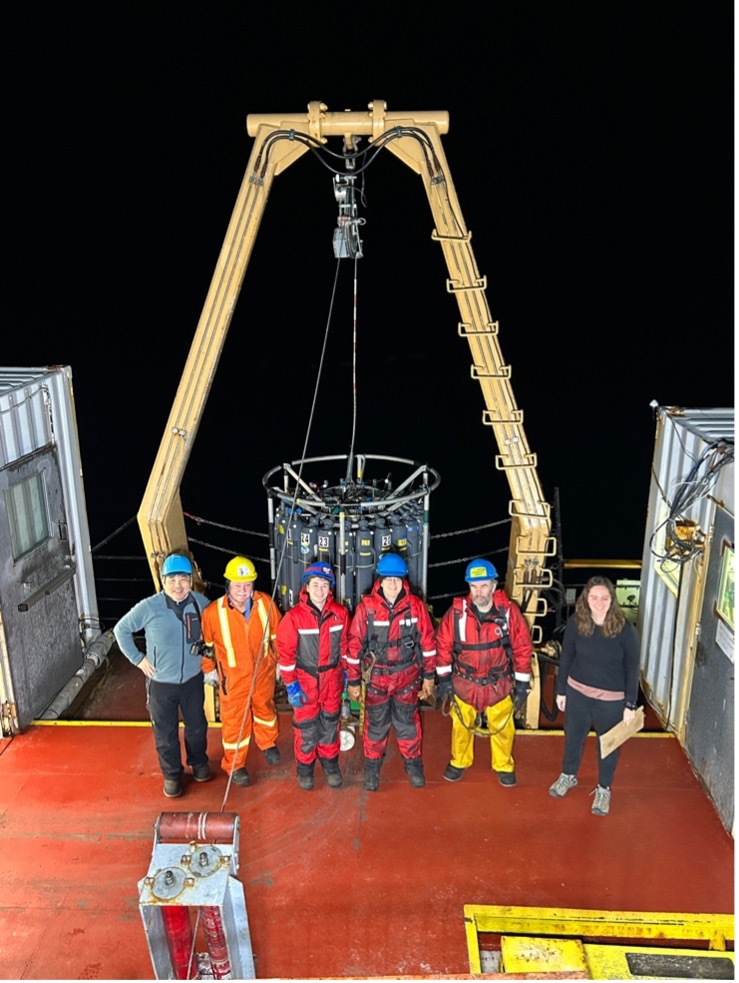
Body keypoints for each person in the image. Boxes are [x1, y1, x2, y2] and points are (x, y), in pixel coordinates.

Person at [113, 551, 211, 798]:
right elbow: (121, 630)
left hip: (192, 679)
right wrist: (139, 659)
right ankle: (172, 775)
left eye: (183, 579)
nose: (178, 586)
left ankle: (198, 762)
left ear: (191, 579)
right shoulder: (150, 606)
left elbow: (215, 634)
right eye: (172, 579)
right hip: (161, 684)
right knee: (165, 732)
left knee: (197, 726)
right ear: (163, 580)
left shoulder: (202, 604)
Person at [435, 558, 532, 787]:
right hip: (465, 683)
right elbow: (443, 646)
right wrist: (445, 681)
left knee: (503, 725)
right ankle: (459, 760)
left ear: (494, 585)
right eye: (474, 586)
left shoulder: (509, 613)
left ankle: (504, 764)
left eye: (484, 585)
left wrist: (521, 684)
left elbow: (522, 647)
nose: (479, 592)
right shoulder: (456, 614)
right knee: (461, 724)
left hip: (498, 683)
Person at [548, 575, 640, 816]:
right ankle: (568, 775)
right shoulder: (576, 623)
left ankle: (603, 789)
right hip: (578, 693)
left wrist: (630, 703)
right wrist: (561, 691)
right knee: (573, 739)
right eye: (594, 597)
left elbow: (632, 667)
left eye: (605, 598)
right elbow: (566, 657)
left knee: (607, 746)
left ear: (612, 600)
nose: (599, 603)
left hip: (611, 700)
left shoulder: (624, 629)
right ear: (585, 599)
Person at [346, 552, 437, 791]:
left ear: (403, 580)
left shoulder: (415, 606)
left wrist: (429, 679)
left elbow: (428, 644)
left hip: (407, 679)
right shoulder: (367, 608)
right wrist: (354, 682)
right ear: (380, 579)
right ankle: (372, 768)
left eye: (397, 579)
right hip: (376, 681)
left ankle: (413, 765)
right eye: (388, 579)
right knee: (375, 726)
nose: (393, 584)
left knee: (408, 724)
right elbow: (354, 646)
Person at [200, 555, 282, 788]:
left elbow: (278, 638)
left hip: (263, 673)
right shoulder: (213, 612)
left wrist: (281, 665)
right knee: (235, 721)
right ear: (228, 586)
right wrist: (209, 672)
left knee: (265, 710)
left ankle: (268, 743)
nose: (243, 590)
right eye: (237, 585)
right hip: (233, 680)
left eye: (247, 585)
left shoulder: (266, 603)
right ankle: (235, 765)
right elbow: (207, 647)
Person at [276, 562, 351, 791]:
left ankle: (330, 764)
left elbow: (346, 646)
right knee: (306, 728)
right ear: (306, 587)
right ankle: (305, 768)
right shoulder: (293, 618)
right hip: (305, 682)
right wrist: (291, 685)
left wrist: (347, 671)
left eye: (325, 585)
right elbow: (285, 655)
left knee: (330, 724)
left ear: (331, 589)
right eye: (315, 584)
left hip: (332, 681)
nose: (320, 590)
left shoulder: (340, 614)